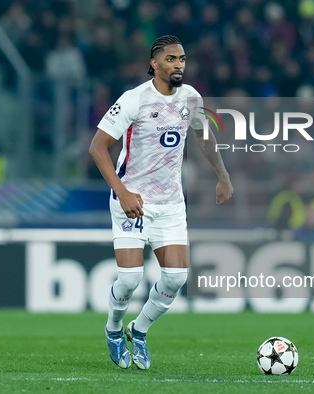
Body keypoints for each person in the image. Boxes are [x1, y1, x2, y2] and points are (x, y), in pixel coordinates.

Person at [89, 35, 233, 370]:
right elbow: (98, 147)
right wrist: (122, 192)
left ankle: (138, 331)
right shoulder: (134, 99)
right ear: (155, 64)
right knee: (129, 279)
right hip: (133, 201)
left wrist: (222, 176)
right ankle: (113, 329)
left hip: (170, 203)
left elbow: (203, 136)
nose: (179, 65)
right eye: (171, 59)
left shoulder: (191, 98)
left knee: (176, 277)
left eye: (182, 59)